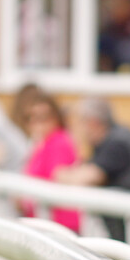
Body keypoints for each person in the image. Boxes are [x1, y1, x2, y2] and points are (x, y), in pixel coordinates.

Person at [55, 97, 130, 260]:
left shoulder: (117, 142)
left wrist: (63, 174)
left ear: (93, 122)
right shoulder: (109, 141)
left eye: (78, 122)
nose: (76, 129)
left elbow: (84, 178)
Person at [20, 92, 81, 232]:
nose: (37, 123)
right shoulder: (41, 143)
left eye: (43, 117)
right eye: (31, 118)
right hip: (43, 222)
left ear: (55, 117)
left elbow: (59, 177)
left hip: (59, 226)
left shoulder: (58, 142)